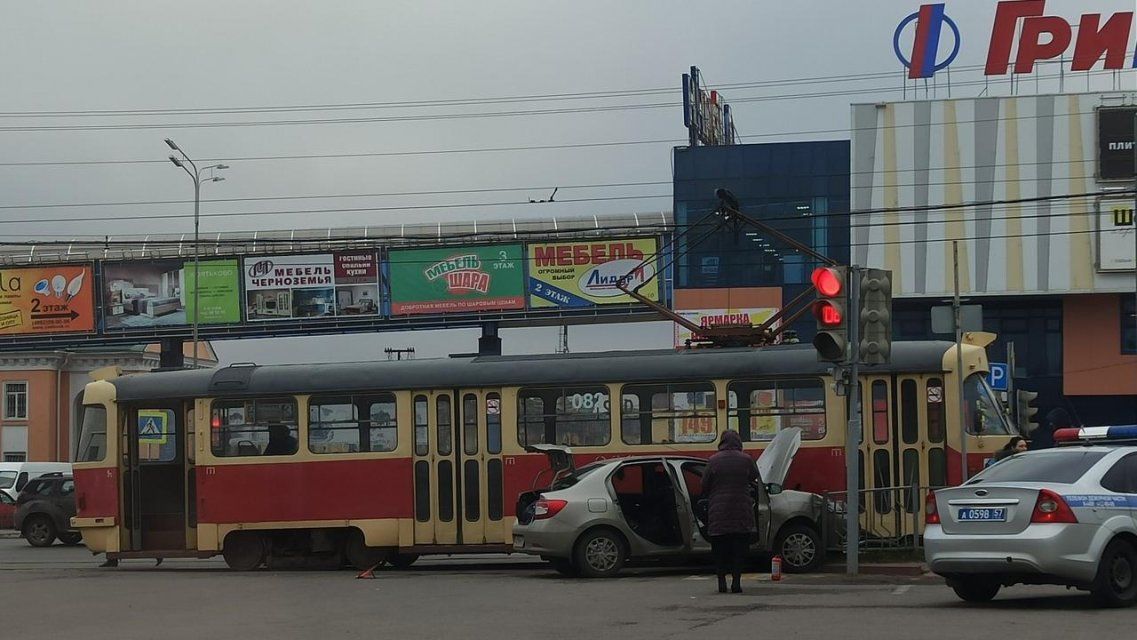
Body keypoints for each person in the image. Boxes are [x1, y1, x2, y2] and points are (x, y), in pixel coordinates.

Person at [701, 430, 759, 594]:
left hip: (719, 512)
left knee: (720, 550)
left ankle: (721, 583)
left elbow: (704, 484)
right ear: (738, 441)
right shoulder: (746, 459)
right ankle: (736, 583)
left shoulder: (713, 460)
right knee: (738, 550)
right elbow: (754, 476)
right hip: (741, 511)